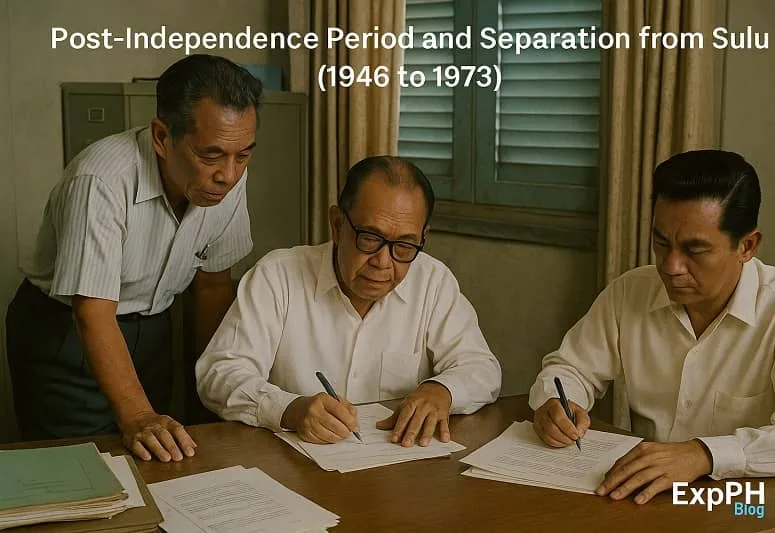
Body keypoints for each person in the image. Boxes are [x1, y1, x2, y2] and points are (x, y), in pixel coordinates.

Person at [6, 54, 261, 462]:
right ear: (162, 137)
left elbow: (212, 284)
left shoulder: (226, 171)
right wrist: (139, 414)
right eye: (210, 155)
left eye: (243, 155)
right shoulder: (100, 179)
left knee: (157, 459)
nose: (228, 175)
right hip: (68, 332)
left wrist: (208, 390)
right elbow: (92, 312)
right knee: (80, 468)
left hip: (152, 326)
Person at [530, 150, 775, 504]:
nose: (671, 266)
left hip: (746, 505)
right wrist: (556, 402)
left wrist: (703, 454)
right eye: (661, 243)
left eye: (695, 249)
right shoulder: (631, 292)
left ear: (746, 246)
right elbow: (570, 368)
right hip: (644, 500)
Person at [196, 156, 501, 447]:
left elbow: (482, 369)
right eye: (369, 238)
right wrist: (290, 409)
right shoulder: (277, 277)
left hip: (396, 471)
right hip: (295, 470)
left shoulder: (433, 282)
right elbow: (219, 373)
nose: (383, 261)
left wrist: (442, 390)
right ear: (338, 224)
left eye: (405, 245)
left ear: (423, 236)